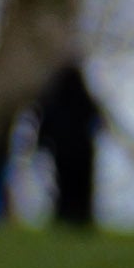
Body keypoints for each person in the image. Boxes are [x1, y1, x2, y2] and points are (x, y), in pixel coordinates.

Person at [33, 59, 103, 229]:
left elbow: (44, 122)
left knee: (64, 187)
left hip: (62, 151)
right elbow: (97, 121)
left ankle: (64, 218)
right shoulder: (84, 98)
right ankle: (83, 219)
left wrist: (41, 145)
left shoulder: (52, 97)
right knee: (82, 187)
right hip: (83, 150)